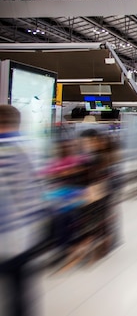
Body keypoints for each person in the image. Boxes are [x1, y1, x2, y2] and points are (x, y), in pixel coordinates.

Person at [0, 105, 48, 316]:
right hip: (29, 232)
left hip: (7, 235)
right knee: (21, 290)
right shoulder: (32, 147)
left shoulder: (4, 148)